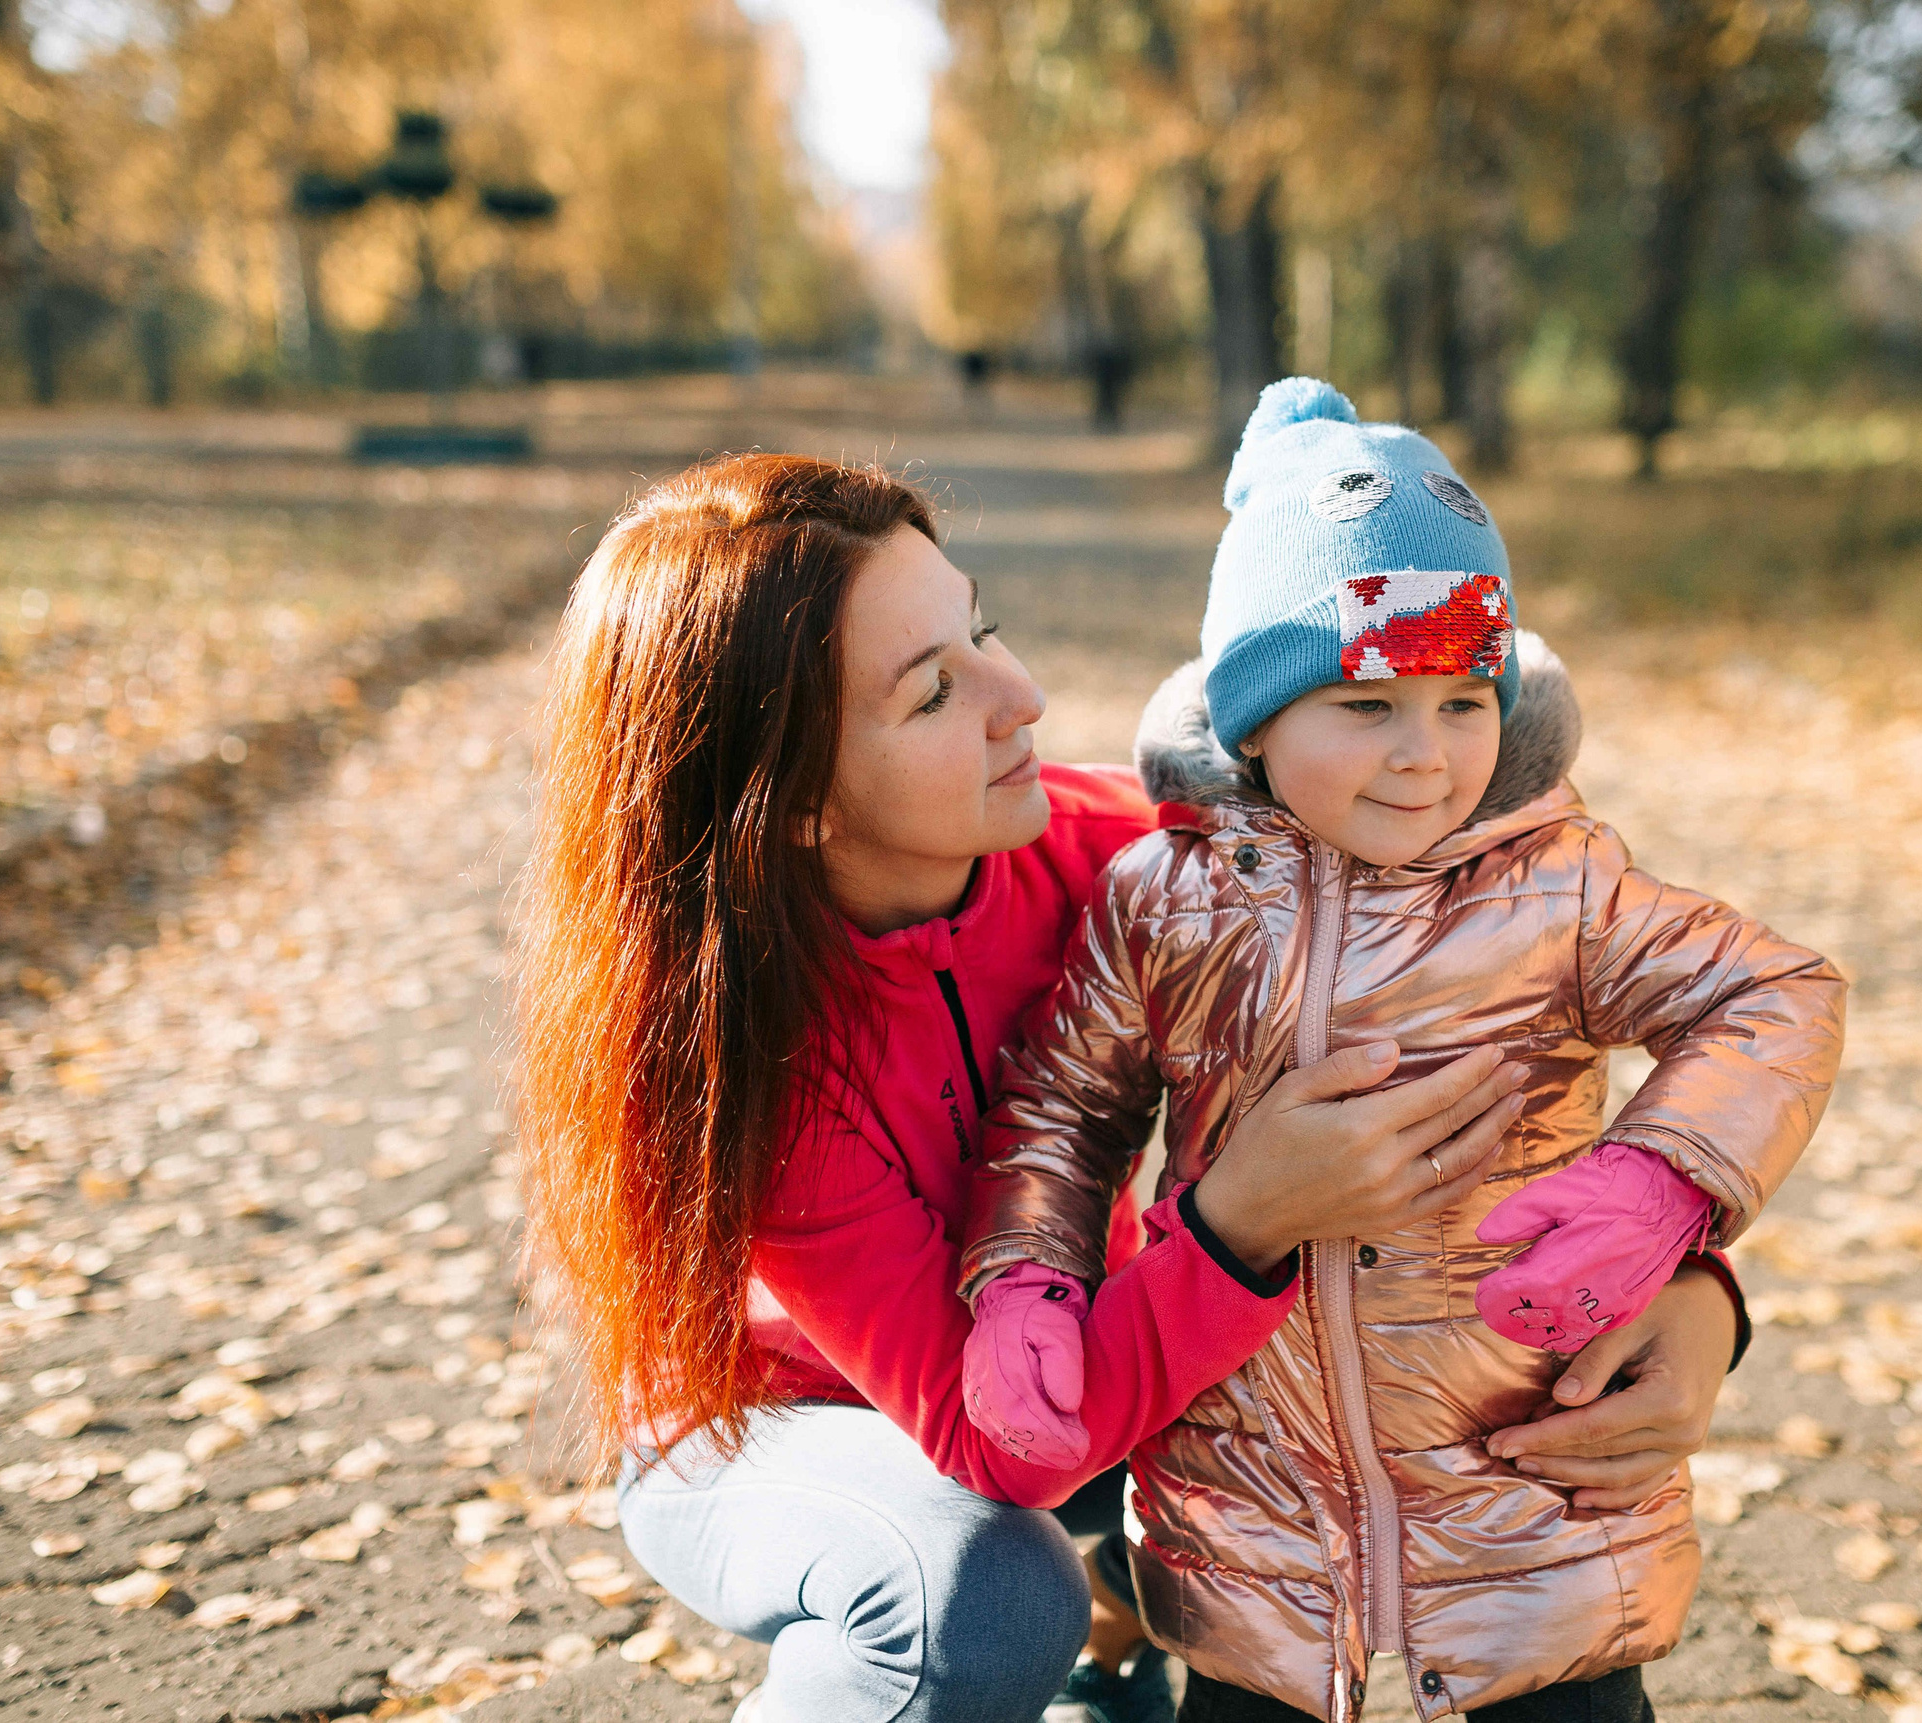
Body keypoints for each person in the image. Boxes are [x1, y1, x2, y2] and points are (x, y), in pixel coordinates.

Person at [514, 451, 1757, 1723]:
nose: (1023, 695)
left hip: (1101, 1360)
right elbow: (995, 1444)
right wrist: (1243, 1224)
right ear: (786, 804)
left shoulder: (1144, 871)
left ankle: (1106, 1672)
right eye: (935, 690)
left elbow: (1492, 986)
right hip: (782, 1422)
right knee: (975, 1595)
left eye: (981, 628)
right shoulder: (750, 1061)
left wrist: (1688, 1285)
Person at [956, 380, 1848, 1722]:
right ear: (1252, 717)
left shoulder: (1558, 885)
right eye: (1367, 707)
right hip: (1252, 1500)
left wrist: (1667, 1182)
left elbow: (1778, 991)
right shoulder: (1164, 899)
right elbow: (1062, 1107)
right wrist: (1026, 1272)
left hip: (1532, 1484)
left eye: (1461, 701)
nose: (1426, 757)